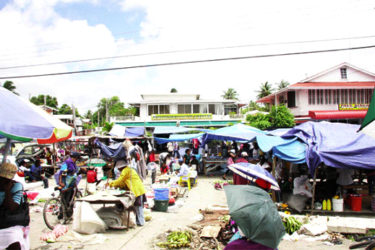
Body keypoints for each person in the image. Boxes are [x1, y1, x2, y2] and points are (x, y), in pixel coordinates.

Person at [0, 163, 30, 250]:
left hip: (11, 223)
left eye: (6, 179)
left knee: (14, 241)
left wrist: (7, 191)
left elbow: (12, 207)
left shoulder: (16, 186)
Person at [108, 160, 146, 226]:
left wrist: (110, 184)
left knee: (138, 207)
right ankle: (139, 221)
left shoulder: (125, 170)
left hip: (136, 190)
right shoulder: (128, 170)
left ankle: (141, 222)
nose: (118, 169)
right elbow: (122, 183)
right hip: (139, 189)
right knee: (138, 207)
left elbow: (120, 180)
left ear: (120, 167)